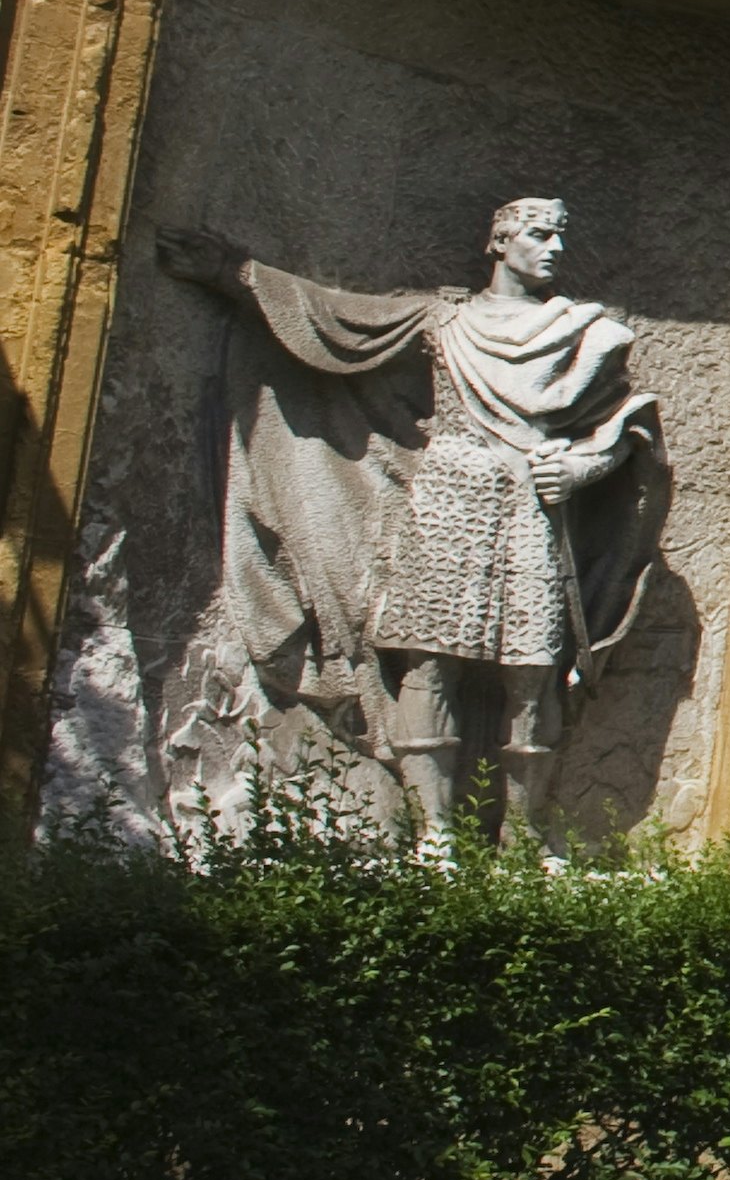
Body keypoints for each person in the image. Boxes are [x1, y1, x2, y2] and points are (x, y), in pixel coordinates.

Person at [157, 196, 660, 846]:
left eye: (560, 236)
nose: (555, 248)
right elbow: (341, 322)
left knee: (534, 674)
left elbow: (630, 427)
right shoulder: (443, 318)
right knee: (429, 667)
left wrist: (583, 468)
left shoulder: (589, 332)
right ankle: (435, 838)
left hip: (533, 506)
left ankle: (525, 837)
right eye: (539, 234)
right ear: (500, 240)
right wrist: (238, 274)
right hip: (449, 496)